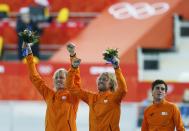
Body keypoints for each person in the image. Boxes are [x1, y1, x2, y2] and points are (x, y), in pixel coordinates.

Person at [22, 41, 81, 131]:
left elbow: (76, 80)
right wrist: (29, 53)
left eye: (61, 77)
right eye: (56, 78)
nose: (58, 80)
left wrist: (72, 54)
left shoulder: (73, 96)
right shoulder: (49, 94)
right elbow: (35, 78)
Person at [69, 50, 128, 131]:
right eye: (100, 79)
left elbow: (123, 90)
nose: (100, 81)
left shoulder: (114, 98)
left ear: (111, 83)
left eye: (104, 79)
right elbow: (71, 88)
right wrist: (73, 68)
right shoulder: (91, 97)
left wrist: (116, 68)